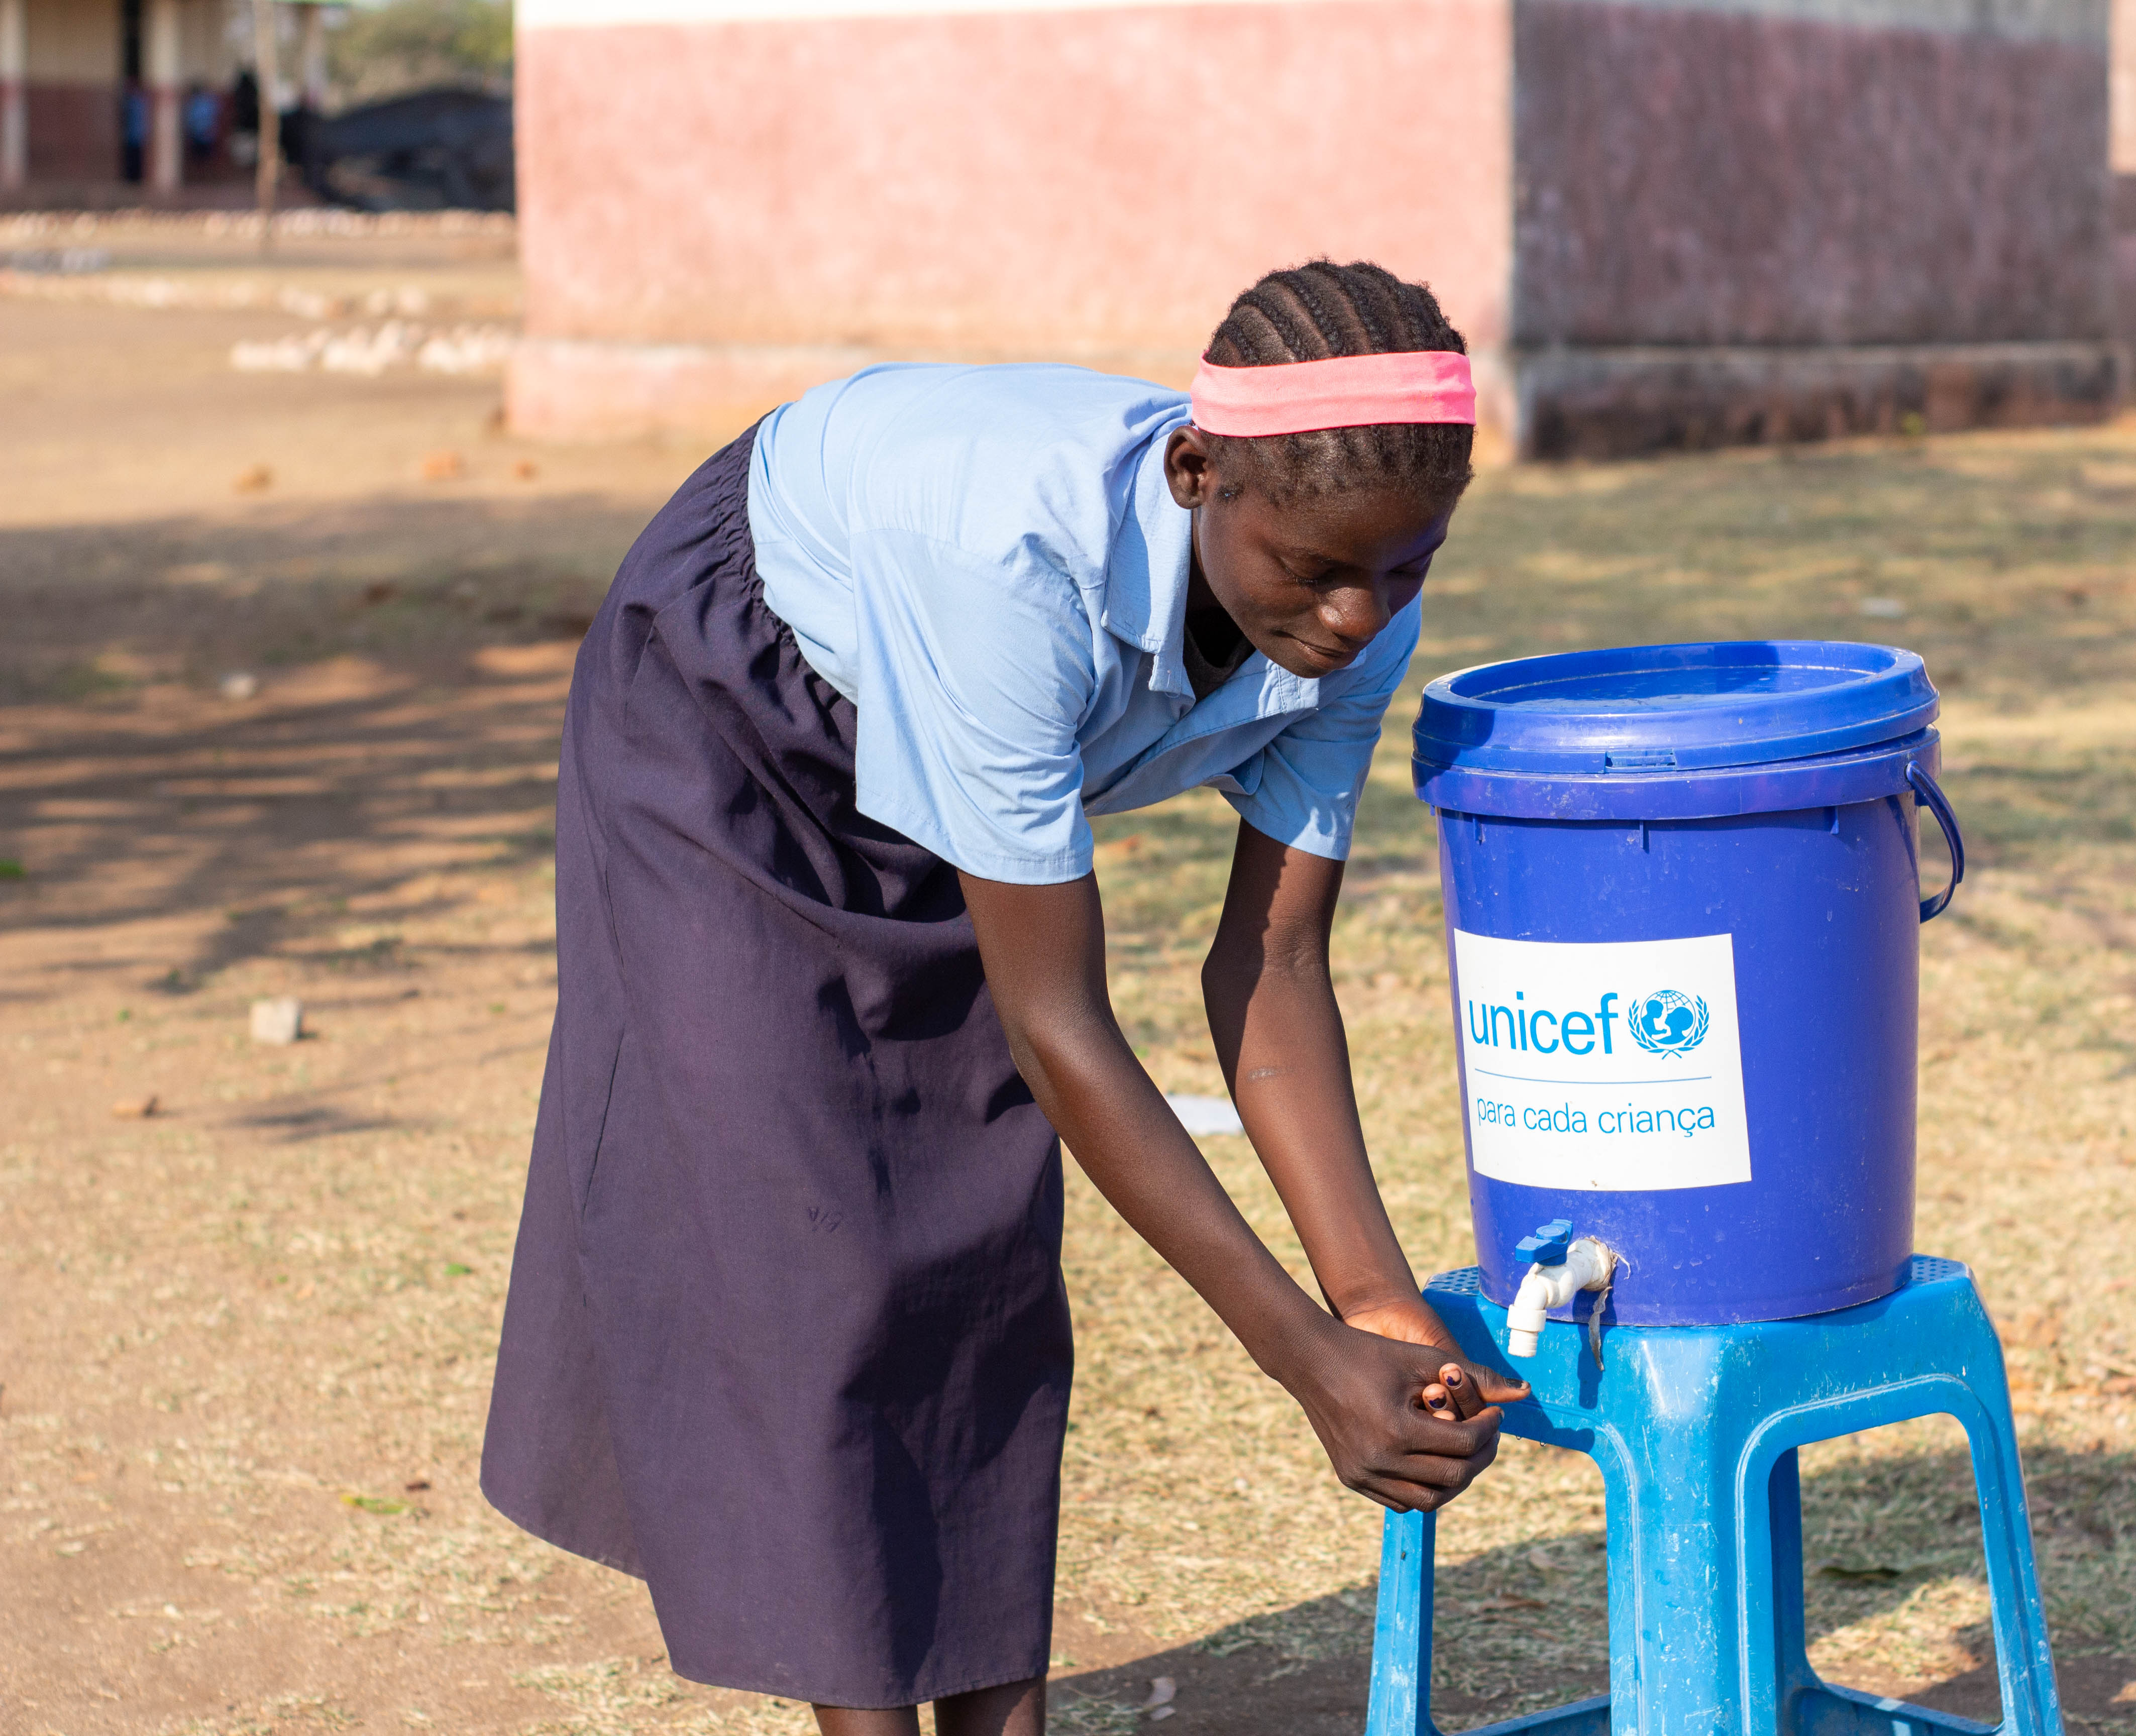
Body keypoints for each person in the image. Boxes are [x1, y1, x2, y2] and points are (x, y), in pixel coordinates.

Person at [482, 260, 1525, 1736]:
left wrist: (1373, 1303)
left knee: (976, 1235)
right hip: (733, 716)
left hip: (951, 754)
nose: (1359, 616)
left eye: (1404, 569)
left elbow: (1274, 966)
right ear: (1193, 471)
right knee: (811, 1250)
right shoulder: (1007, 567)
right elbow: (1062, 1024)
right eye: (1314, 570)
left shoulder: (1357, 612)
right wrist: (1304, 1359)